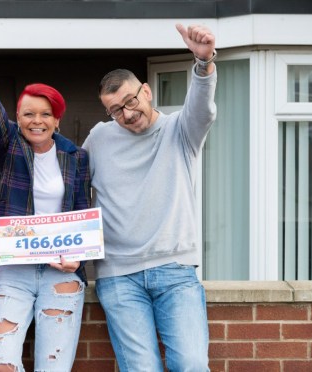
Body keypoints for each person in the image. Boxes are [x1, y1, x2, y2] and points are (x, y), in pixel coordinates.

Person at [82, 24, 217, 372]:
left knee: (191, 364)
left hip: (175, 269)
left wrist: (202, 64)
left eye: (130, 101)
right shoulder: (99, 138)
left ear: (146, 91)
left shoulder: (181, 130)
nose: (126, 114)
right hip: (117, 276)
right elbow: (68, 186)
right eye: (115, 110)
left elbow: (201, 107)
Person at [0, 45, 91, 372]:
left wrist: (80, 257)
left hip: (61, 272)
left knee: (53, 367)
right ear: (18, 118)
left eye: (45, 114)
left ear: (57, 119)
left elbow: (83, 211)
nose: (37, 121)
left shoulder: (77, 157)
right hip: (14, 270)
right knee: (2, 363)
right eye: (29, 113)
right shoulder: (11, 145)